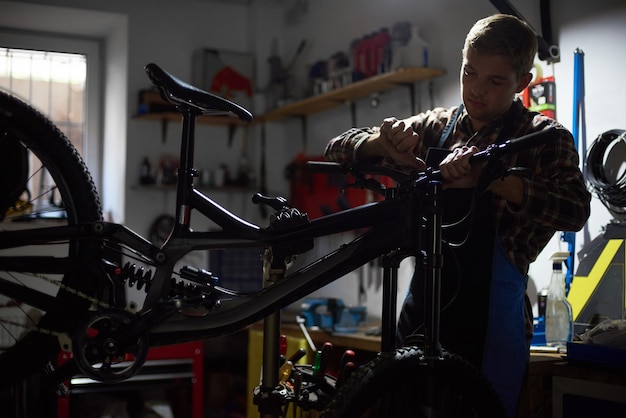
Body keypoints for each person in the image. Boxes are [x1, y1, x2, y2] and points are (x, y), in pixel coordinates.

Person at [324, 13, 591, 418]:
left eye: (495, 81)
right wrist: (382, 144)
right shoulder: (438, 127)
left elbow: (576, 209)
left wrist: (498, 180)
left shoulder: (544, 139)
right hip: (421, 311)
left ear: (521, 83)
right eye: (470, 73)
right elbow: (337, 148)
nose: (476, 91)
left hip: (490, 324)